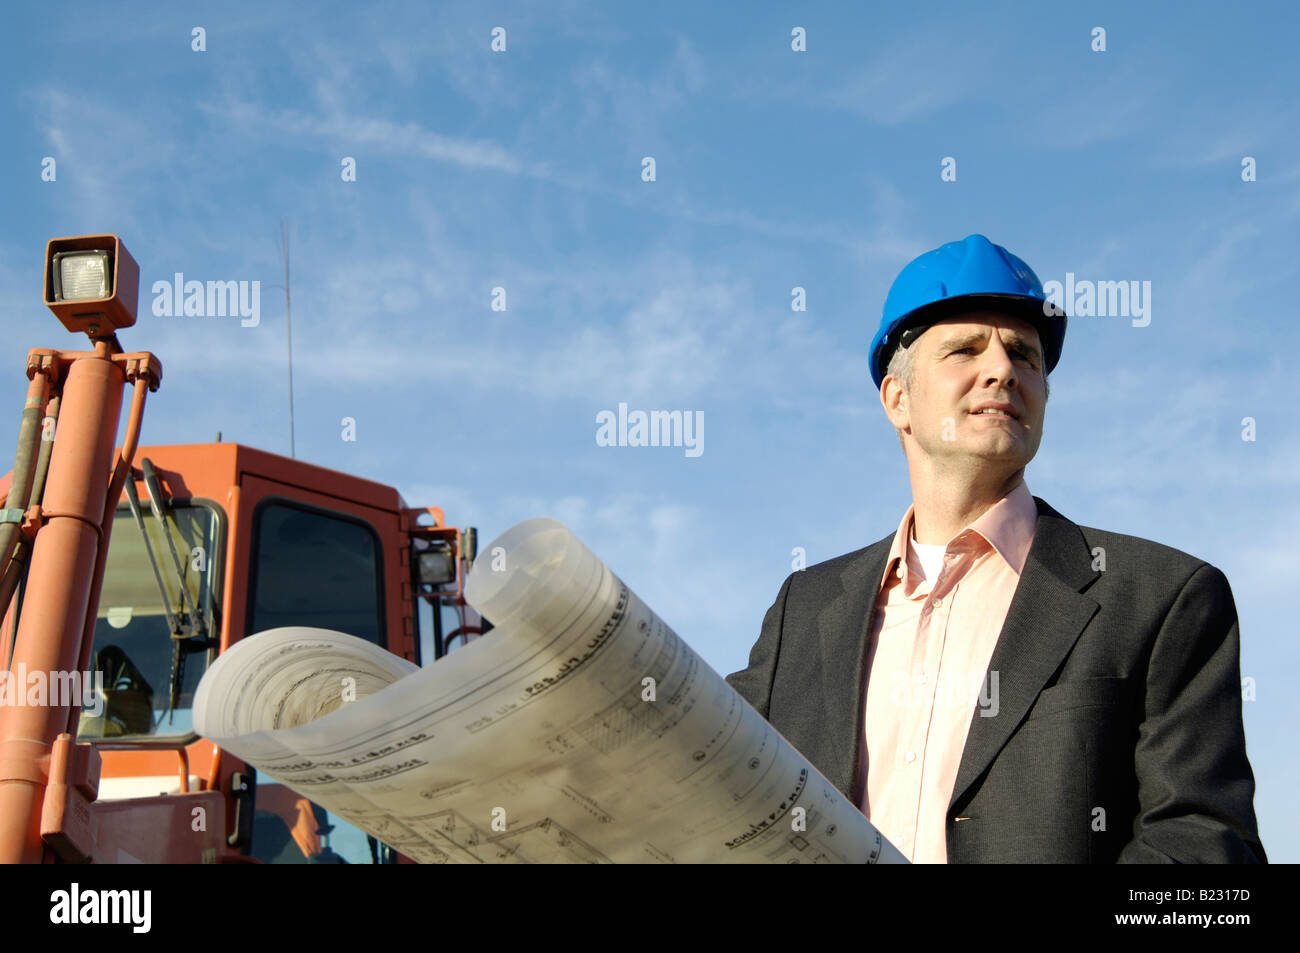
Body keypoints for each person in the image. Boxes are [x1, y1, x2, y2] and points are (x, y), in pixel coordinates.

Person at [724, 234, 1266, 863]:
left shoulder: (1161, 598)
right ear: (898, 399)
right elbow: (703, 779)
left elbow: (1205, 853)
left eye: (1024, 356)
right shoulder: (803, 609)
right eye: (964, 349)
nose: (1004, 369)